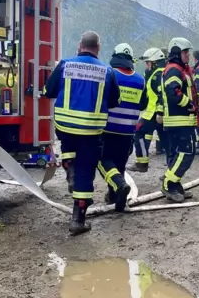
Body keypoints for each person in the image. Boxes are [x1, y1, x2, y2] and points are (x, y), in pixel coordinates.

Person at [43, 31, 120, 235]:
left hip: (65, 126)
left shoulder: (65, 65)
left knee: (68, 146)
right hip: (91, 130)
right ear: (98, 47)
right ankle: (78, 220)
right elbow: (114, 102)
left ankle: (70, 172)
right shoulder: (107, 72)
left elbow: (48, 91)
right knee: (86, 173)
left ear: (80, 45)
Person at [98, 43, 144, 212]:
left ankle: (119, 186)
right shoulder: (140, 80)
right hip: (127, 132)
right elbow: (144, 103)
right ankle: (117, 201)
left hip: (108, 130)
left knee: (103, 160)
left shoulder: (109, 75)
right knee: (120, 166)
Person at [161, 37, 199, 203]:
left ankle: (175, 185)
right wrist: (188, 103)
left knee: (179, 154)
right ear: (177, 52)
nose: (188, 55)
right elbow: (172, 91)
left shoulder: (180, 70)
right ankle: (169, 182)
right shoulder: (174, 70)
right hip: (178, 121)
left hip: (182, 121)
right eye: (185, 52)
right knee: (187, 153)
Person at [130, 48, 166, 173]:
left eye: (148, 62)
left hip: (155, 114)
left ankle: (142, 163)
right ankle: (171, 171)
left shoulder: (159, 74)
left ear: (155, 62)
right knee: (168, 143)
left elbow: (162, 94)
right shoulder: (156, 73)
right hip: (154, 113)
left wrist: (160, 112)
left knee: (138, 131)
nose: (147, 65)